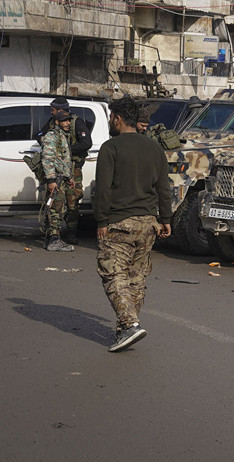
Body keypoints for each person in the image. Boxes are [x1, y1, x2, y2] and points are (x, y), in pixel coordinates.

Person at [94, 96, 172, 353]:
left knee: (113, 273)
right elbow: (163, 188)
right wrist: (165, 219)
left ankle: (129, 325)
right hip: (148, 223)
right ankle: (125, 328)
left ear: (117, 118)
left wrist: (101, 221)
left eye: (110, 118)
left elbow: (103, 189)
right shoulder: (155, 148)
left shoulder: (110, 147)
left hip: (119, 222)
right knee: (136, 277)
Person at [37, 97, 92, 245]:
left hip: (72, 170)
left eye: (53, 109)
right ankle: (53, 235)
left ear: (61, 110)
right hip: (58, 170)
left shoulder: (76, 122)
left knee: (72, 202)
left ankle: (71, 233)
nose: (51, 111)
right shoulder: (53, 128)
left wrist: (66, 150)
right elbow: (40, 136)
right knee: (55, 203)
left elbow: (87, 143)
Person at [40, 110, 76, 252]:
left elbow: (63, 159)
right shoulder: (52, 136)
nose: (67, 123)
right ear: (57, 122)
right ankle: (54, 240)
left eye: (68, 120)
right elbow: (48, 159)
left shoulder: (63, 136)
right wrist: (51, 180)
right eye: (64, 121)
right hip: (55, 179)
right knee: (55, 209)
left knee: (58, 208)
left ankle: (51, 239)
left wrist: (69, 176)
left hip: (61, 178)